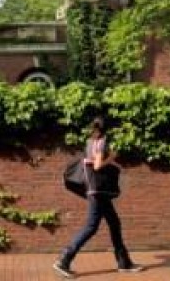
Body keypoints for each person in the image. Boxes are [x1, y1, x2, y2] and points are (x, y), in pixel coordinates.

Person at [53, 117, 143, 278]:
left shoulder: (90, 141)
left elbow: (91, 161)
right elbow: (97, 165)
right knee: (91, 227)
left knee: (114, 223)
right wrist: (112, 157)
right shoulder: (102, 142)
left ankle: (124, 263)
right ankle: (64, 260)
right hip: (98, 191)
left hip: (98, 191)